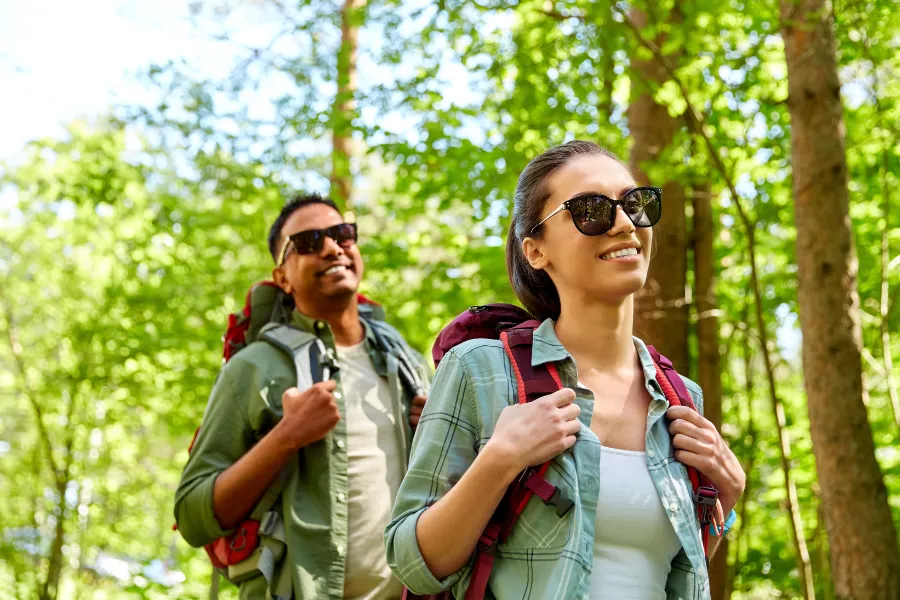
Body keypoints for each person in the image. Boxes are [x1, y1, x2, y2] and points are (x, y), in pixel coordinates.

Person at [385, 141, 745, 600]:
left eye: (635, 204)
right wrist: (500, 459)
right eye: (590, 209)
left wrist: (725, 501)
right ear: (535, 250)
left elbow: (670, 572)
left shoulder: (681, 398)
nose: (623, 222)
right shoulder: (481, 370)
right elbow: (411, 563)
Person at [175, 193, 430, 599]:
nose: (332, 247)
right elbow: (192, 515)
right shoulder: (253, 368)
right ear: (282, 278)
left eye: (342, 234)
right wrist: (287, 435)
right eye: (310, 242)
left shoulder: (407, 363)